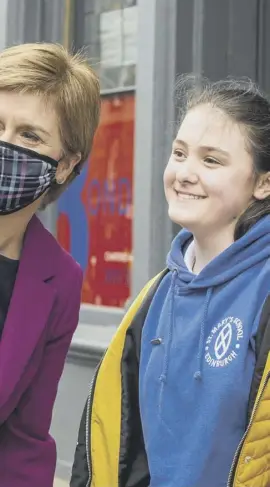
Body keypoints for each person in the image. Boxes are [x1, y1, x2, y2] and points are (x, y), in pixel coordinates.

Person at [71, 75, 270, 487]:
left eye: (211, 160)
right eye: (179, 153)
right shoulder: (154, 297)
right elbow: (119, 446)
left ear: (264, 182)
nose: (184, 172)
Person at [0, 42, 100, 487]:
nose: (5, 146)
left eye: (29, 135)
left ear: (66, 164)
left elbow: (24, 438)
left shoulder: (59, 278)